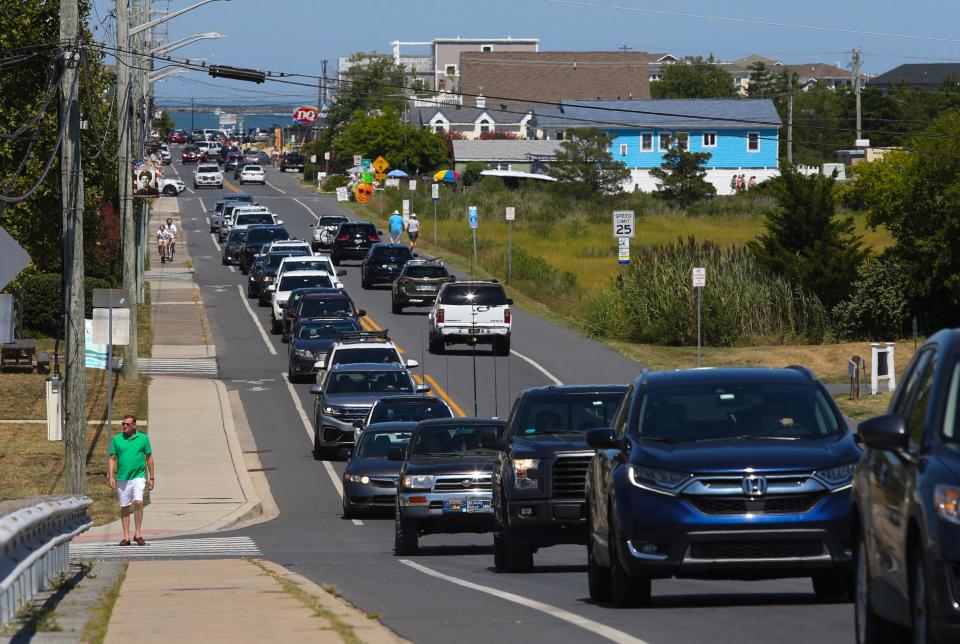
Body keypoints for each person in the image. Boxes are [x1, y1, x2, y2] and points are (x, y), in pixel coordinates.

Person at [108, 415, 155, 546]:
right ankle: (126, 537)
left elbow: (149, 458)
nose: (124, 426)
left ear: (135, 426)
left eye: (128, 424)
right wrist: (111, 476)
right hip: (122, 478)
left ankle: (138, 534)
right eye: (123, 424)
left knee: (139, 502)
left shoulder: (143, 439)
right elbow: (112, 458)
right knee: (124, 507)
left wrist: (151, 477)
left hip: (138, 477)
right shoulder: (117, 439)